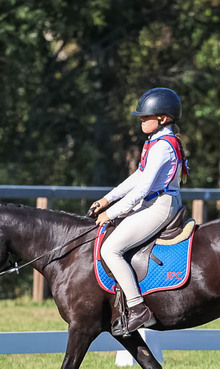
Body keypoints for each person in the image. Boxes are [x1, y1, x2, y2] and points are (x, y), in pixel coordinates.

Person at [89, 87, 188, 334]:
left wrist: (110, 213)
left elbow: (142, 189)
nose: (141, 120)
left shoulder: (164, 146)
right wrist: (107, 198)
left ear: (163, 118)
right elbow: (138, 176)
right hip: (152, 202)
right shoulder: (156, 142)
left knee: (110, 250)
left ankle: (137, 308)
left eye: (146, 116)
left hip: (159, 205)